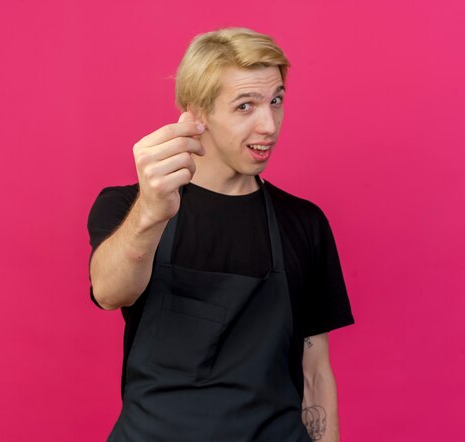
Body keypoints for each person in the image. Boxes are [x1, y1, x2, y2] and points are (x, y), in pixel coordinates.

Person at [87, 27, 354, 442]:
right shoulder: (129, 207)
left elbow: (315, 372)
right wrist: (151, 213)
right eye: (245, 106)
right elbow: (109, 292)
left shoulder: (304, 223)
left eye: (276, 101)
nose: (269, 124)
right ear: (197, 113)